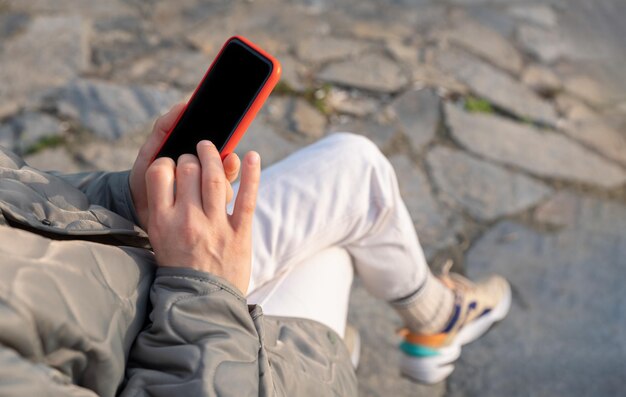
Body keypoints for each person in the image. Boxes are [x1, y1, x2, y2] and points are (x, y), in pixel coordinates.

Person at [0, 103, 510, 396]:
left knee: (356, 168)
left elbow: (26, 197)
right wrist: (204, 291)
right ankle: (400, 331)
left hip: (146, 267)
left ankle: (431, 318)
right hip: (187, 333)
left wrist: (127, 200)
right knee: (333, 255)